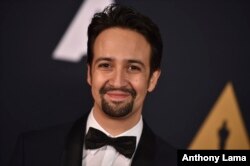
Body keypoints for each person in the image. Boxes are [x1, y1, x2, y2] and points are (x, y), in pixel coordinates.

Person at [9, 4, 176, 166]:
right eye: (105, 65)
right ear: (89, 74)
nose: (118, 82)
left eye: (133, 68)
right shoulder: (31, 150)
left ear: (153, 79)